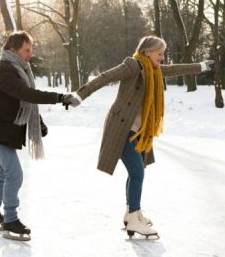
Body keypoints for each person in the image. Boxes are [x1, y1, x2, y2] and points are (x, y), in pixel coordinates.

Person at [72, 35, 212, 239]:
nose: (162, 57)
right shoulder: (133, 66)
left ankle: (133, 213)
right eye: (160, 53)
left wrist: (199, 66)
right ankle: (133, 216)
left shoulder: (152, 69)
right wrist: (79, 95)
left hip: (140, 130)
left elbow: (174, 69)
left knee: (137, 170)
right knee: (137, 172)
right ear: (147, 52)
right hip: (123, 128)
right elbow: (105, 77)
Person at [0, 31, 80, 241]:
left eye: (30, 50)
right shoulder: (3, 70)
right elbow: (25, 94)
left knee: (4, 171)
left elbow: (26, 101)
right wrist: (60, 97)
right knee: (14, 173)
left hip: (6, 129)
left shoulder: (20, 68)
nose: (30, 54)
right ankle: (10, 220)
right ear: (13, 49)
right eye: (27, 50)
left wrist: (39, 122)